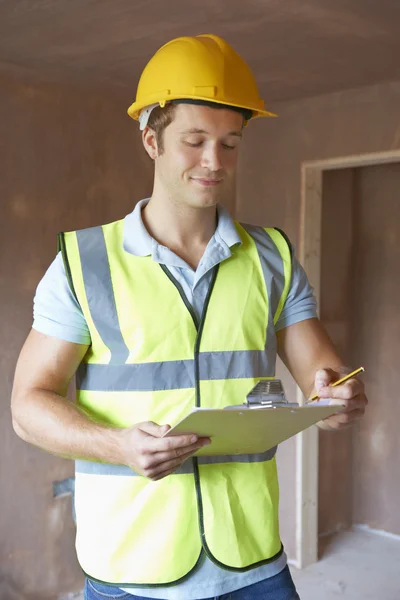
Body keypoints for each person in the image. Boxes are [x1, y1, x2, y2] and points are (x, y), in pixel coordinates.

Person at [11, 34, 367, 600]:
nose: (214, 162)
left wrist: (337, 401)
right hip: (131, 566)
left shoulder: (272, 257)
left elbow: (323, 390)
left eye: (230, 143)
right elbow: (28, 407)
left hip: (253, 561)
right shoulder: (84, 263)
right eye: (195, 141)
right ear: (152, 140)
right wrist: (117, 445)